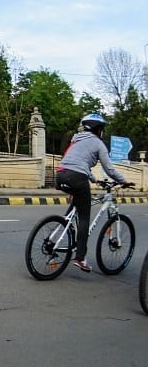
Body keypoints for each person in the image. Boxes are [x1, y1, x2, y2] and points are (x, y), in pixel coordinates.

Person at [55, 113, 132, 272]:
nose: (102, 133)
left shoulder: (76, 140)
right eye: (102, 129)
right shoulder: (98, 144)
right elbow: (109, 169)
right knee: (84, 218)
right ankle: (80, 258)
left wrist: (93, 179)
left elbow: (77, 162)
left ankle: (66, 225)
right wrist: (123, 181)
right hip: (77, 177)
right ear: (97, 129)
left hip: (61, 174)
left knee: (77, 205)